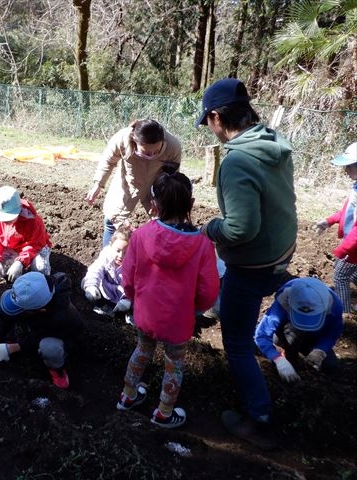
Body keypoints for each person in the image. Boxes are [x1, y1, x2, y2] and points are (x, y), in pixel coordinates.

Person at [196, 77, 298, 449]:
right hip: (280, 252)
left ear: (218, 117)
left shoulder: (237, 162)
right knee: (239, 311)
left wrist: (210, 228)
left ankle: (260, 419)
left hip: (252, 264)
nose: (209, 127)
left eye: (208, 120)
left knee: (236, 343)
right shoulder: (271, 142)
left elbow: (239, 229)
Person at [116, 171, 219, 429]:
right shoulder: (203, 244)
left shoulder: (140, 236)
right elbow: (208, 289)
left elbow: (127, 277)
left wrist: (133, 298)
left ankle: (127, 396)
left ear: (154, 205)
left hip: (146, 313)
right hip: (178, 319)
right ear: (191, 205)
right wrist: (194, 309)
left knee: (142, 349)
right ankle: (164, 412)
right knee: (174, 362)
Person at [85, 119, 181, 247]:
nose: (151, 154)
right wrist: (98, 184)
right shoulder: (122, 139)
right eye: (146, 152)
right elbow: (108, 161)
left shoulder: (173, 145)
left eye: (156, 151)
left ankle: (159, 259)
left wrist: (161, 197)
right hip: (128, 183)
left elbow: (172, 174)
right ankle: (109, 259)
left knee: (165, 224)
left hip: (156, 184)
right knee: (111, 219)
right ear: (135, 141)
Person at [0, 271, 84, 389]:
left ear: (40, 310)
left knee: (49, 347)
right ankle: (9, 340)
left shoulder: (60, 317)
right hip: (38, 322)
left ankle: (56, 369)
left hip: (63, 336)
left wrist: (11, 348)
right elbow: (2, 316)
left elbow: (37, 337)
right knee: (6, 298)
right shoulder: (37, 285)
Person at [255, 277, 343, 382]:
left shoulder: (334, 305)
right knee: (282, 340)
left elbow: (332, 333)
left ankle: (304, 348)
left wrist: (321, 349)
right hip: (290, 330)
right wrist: (278, 359)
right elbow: (261, 335)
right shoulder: (285, 297)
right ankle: (288, 351)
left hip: (315, 337)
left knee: (330, 365)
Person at [314, 142, 357, 315]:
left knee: (340, 276)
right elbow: (347, 212)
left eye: (349, 166)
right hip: (352, 243)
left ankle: (344, 315)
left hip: (353, 246)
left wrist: (343, 250)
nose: (345, 170)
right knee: (354, 275)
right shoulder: (355, 189)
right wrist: (329, 220)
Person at [0, 185, 52, 283]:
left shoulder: (33, 221)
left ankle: (29, 275)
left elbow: (34, 244)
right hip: (13, 248)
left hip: (36, 248)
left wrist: (20, 262)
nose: (4, 221)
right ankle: (15, 275)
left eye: (8, 217)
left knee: (41, 269)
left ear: (18, 210)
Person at [81, 224, 133, 321]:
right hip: (106, 290)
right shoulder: (106, 255)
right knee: (85, 282)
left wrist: (127, 299)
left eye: (126, 252)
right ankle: (103, 307)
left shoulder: (133, 264)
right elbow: (95, 269)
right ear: (111, 245)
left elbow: (135, 285)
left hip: (122, 295)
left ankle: (129, 313)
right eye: (118, 250)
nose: (120, 255)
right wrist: (91, 285)